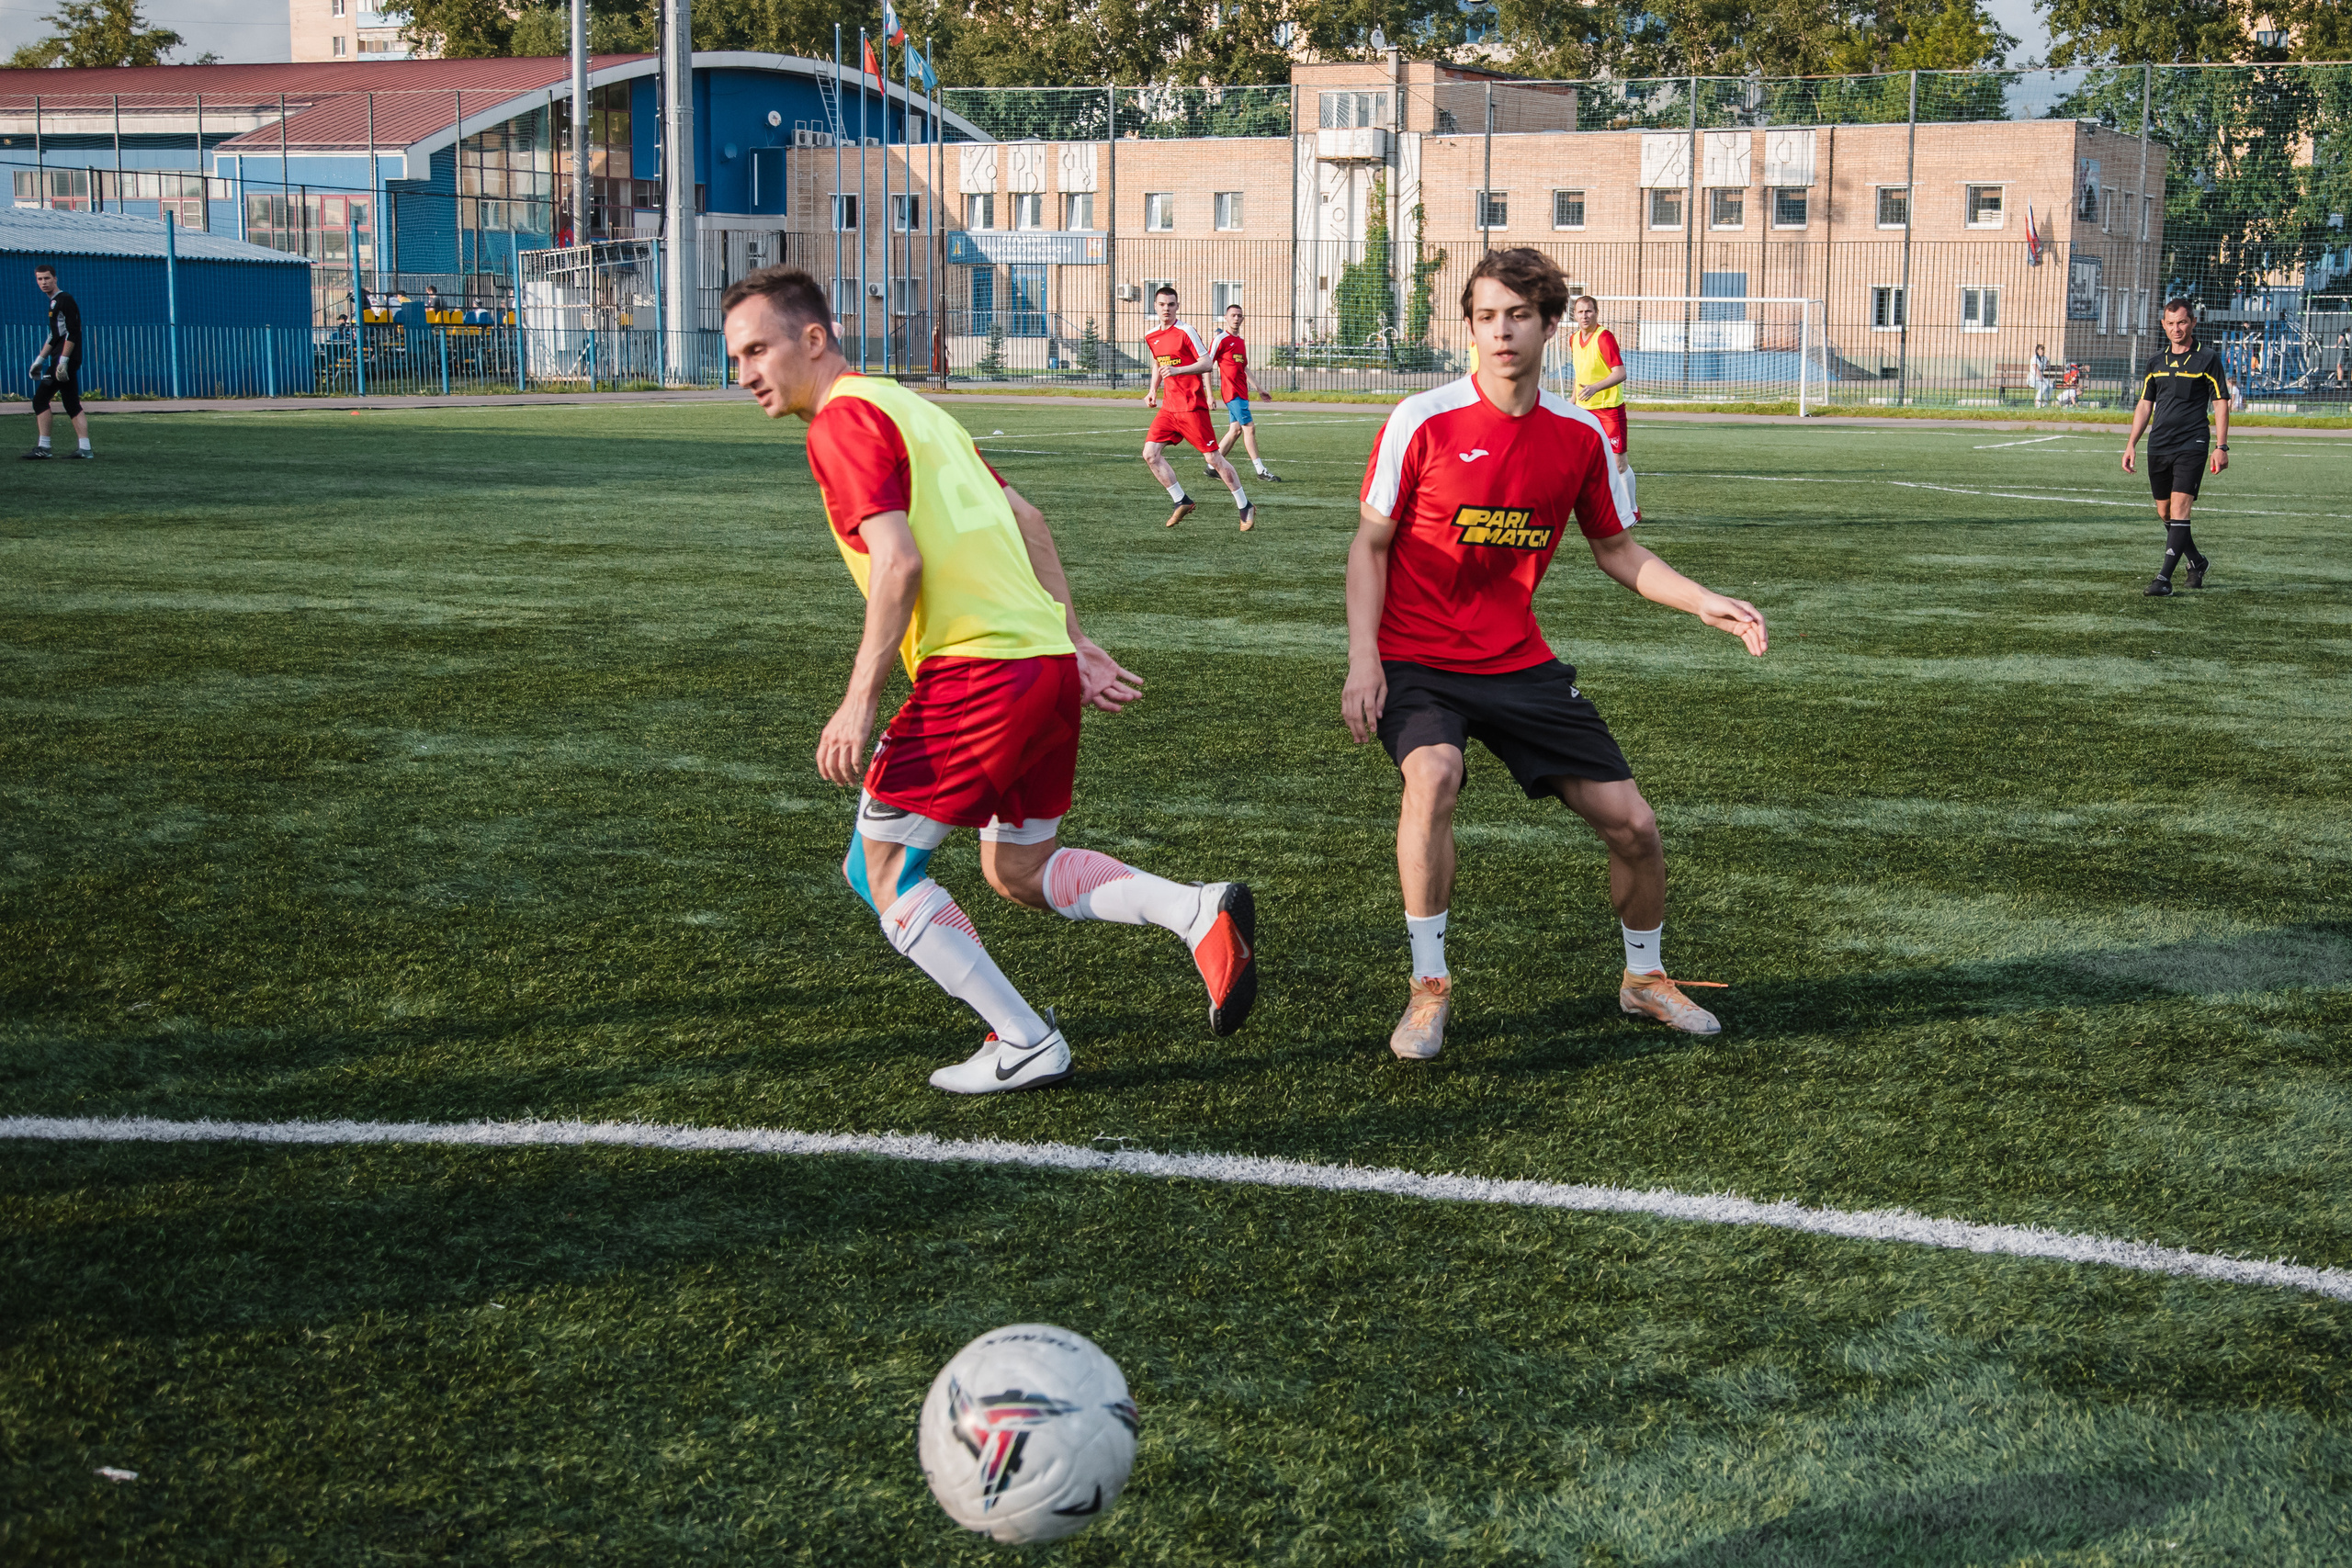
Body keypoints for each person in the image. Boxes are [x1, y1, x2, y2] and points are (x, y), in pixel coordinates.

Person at [722, 265, 1259, 1095]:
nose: (747, 372)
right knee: (1019, 870)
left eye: (758, 348)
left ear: (814, 337)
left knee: (880, 873)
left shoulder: (841, 422)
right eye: (737, 356)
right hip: (1038, 665)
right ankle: (1195, 911)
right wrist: (1072, 641)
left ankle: (1024, 1038)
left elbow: (898, 562)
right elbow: (1029, 518)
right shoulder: (915, 407)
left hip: (976, 674)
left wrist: (858, 698)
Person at [1342, 247, 1768, 1061]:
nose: (1500, 332)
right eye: (1485, 316)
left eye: (1517, 316)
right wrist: (1366, 658)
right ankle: (1428, 987)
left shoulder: (1577, 436)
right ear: (1469, 326)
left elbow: (1617, 549)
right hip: (1419, 659)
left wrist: (1703, 599)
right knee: (1433, 775)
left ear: (1548, 324)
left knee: (1635, 826)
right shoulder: (1420, 419)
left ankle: (1644, 979)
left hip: (1520, 664)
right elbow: (1370, 546)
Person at [2122, 297, 2229, 597]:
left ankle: (2163, 580)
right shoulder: (2155, 361)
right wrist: (2131, 444)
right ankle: (2197, 561)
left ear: (2193, 322)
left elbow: (2221, 403)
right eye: (2170, 323)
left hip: (2192, 442)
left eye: (2182, 322)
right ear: (2163, 325)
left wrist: (2221, 446)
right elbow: (2145, 405)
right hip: (2159, 444)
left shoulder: (2207, 358)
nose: (2176, 328)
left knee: (2181, 507)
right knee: (2165, 512)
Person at [1141, 286, 1254, 531]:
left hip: (1192, 407)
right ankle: (1181, 500)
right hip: (1169, 409)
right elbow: (1158, 363)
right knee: (1150, 454)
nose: (1166, 309)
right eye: (1162, 304)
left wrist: (1179, 370)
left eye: (1171, 304)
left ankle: (1245, 506)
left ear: (1177, 306)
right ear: (1155, 306)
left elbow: (1206, 363)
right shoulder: (1151, 335)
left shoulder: (1186, 331)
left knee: (1213, 458)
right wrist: (1153, 390)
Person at [1566, 294, 1635, 521]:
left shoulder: (1604, 338)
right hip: (1584, 410)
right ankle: (1594, 509)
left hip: (1609, 409)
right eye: (1580, 312)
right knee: (1582, 461)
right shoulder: (1574, 339)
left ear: (1596, 313)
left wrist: (1595, 388)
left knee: (1619, 464)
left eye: (1589, 311)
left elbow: (1620, 373)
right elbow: (1580, 374)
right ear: (1574, 315)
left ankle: (1632, 511)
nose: (1584, 316)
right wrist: (1573, 400)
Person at [22, 264, 92, 461]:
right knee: (71, 402)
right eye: (39, 279)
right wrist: (39, 360)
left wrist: (63, 361)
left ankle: (44, 447)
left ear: (55, 278)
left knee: (40, 400)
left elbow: (73, 331)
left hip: (65, 359)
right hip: (62, 359)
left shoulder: (65, 300)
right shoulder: (54, 303)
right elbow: (54, 336)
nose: (43, 282)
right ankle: (85, 449)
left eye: (47, 278)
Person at [1210, 303, 1281, 486]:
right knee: (1249, 428)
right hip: (1231, 392)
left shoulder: (1240, 342)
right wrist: (1209, 395)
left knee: (1235, 431)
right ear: (1226, 317)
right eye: (1233, 315)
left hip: (1241, 392)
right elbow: (1206, 365)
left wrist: (1259, 388)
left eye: (1239, 315)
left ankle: (1211, 466)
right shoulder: (1220, 339)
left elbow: (1244, 367)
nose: (1236, 318)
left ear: (1242, 319)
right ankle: (1260, 470)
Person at [2030, 343, 2051, 407]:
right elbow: (2036, 369)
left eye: (2043, 349)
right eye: (2041, 349)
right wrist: (2041, 378)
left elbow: (2047, 363)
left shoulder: (2044, 358)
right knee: (2044, 386)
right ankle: (2037, 401)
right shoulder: (2034, 358)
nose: (2043, 351)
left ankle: (2046, 402)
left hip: (2041, 378)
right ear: (2037, 350)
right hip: (2033, 378)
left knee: (2051, 385)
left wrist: (2048, 363)